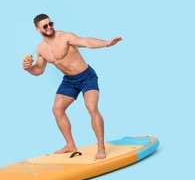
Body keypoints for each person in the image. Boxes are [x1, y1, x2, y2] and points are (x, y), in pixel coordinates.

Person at [22, 14, 122, 159]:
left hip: (86, 77)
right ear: (38, 29)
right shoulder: (41, 49)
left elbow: (86, 41)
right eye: (45, 26)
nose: (49, 27)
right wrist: (28, 68)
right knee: (57, 109)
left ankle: (101, 146)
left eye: (51, 24)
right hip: (69, 80)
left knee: (91, 108)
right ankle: (70, 145)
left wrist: (106, 43)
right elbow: (39, 70)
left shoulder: (64, 37)